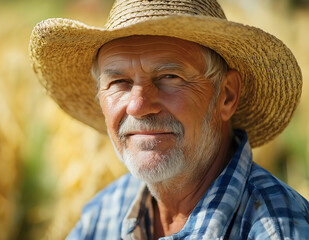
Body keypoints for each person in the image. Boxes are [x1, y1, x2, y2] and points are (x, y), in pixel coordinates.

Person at [29, 0, 309, 239]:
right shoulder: (102, 216)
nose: (138, 106)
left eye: (169, 77)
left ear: (226, 95)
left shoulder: (277, 228)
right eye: (119, 81)